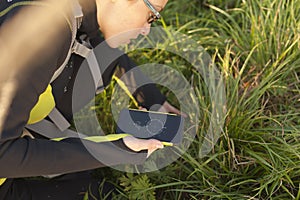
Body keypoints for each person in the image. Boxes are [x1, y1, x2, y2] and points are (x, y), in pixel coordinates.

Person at [0, 0, 182, 199]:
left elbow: (102, 50)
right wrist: (118, 148)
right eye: (152, 15)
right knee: (100, 193)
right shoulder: (43, 35)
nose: (147, 29)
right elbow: (3, 155)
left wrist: (151, 96)